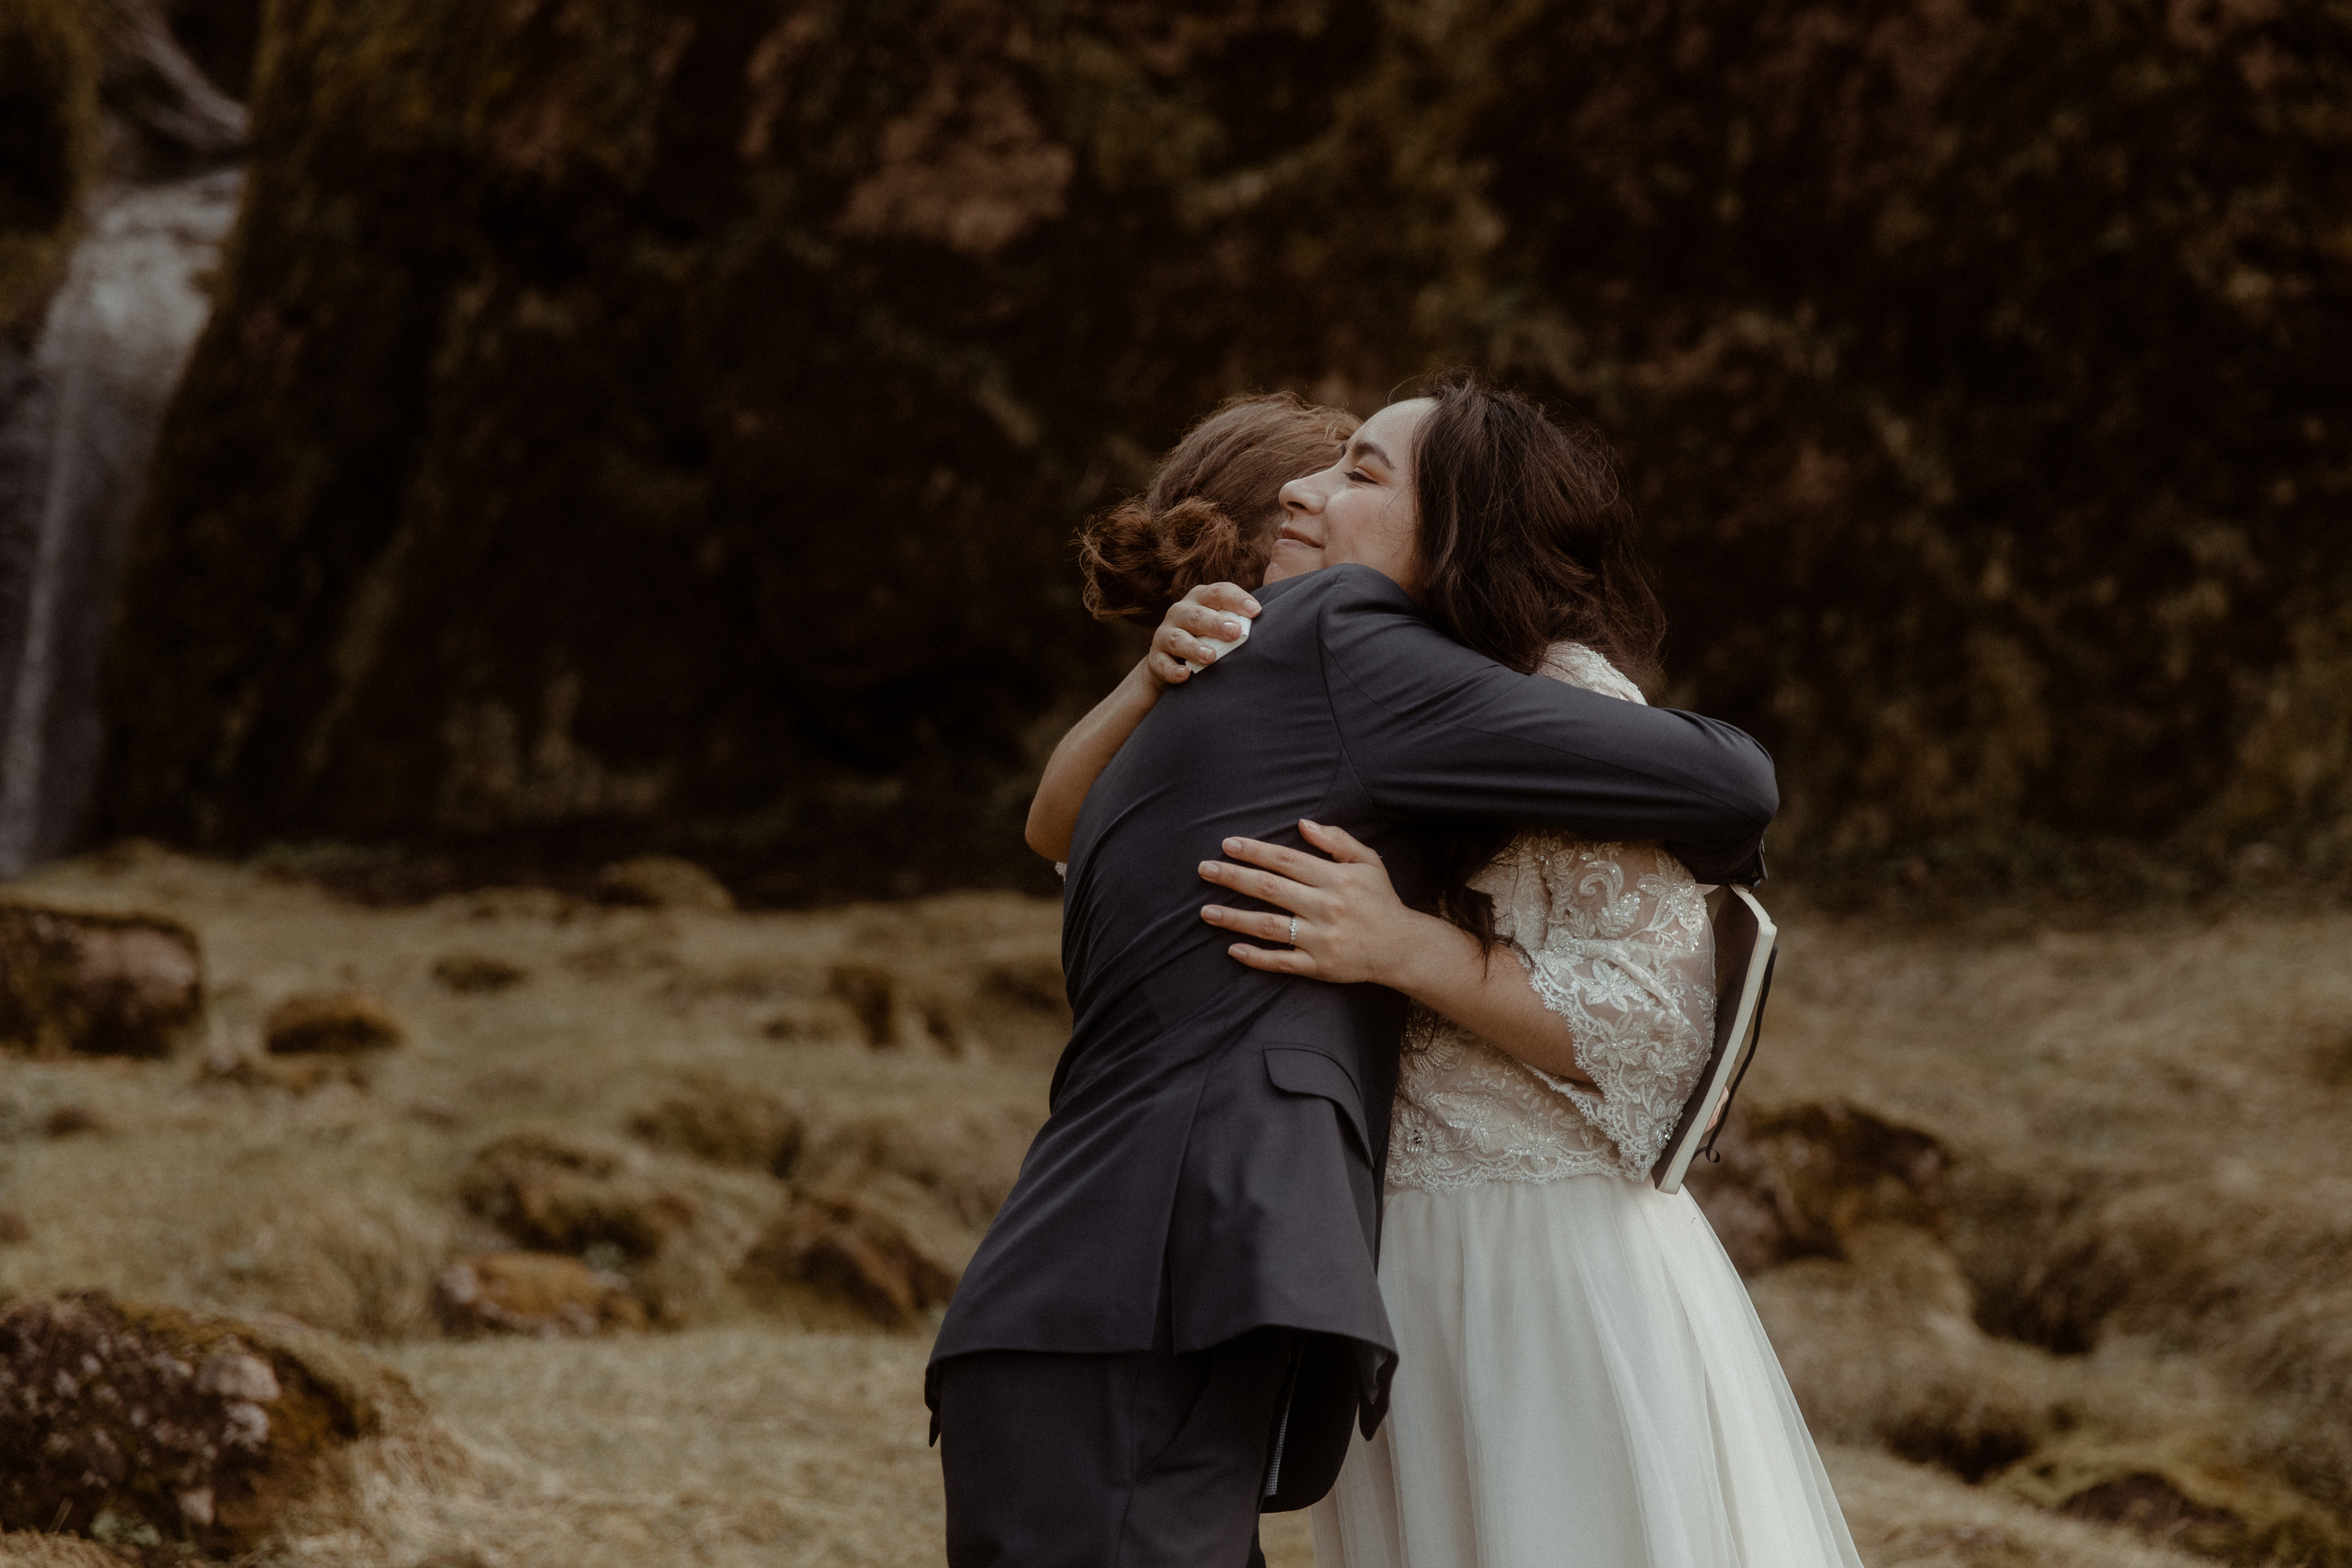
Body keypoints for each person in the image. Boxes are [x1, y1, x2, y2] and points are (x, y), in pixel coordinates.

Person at [928, 382, 1781, 1568]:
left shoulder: (1342, 712)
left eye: (1359, 477)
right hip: (1178, 1295)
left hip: (1396, 1276)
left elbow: (1049, 828)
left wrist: (1409, 947)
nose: (1308, 499)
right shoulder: (1331, 653)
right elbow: (1732, 784)